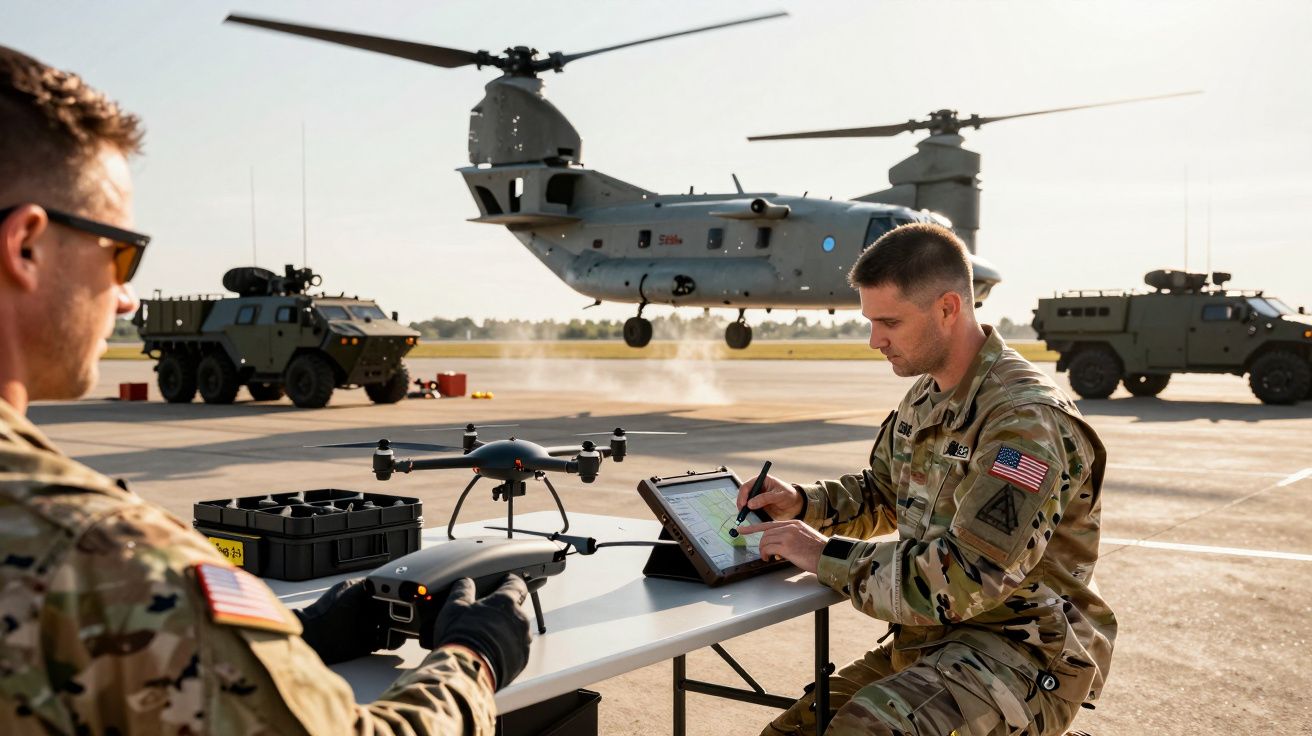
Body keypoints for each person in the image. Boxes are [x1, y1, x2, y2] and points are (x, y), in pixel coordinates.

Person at [0, 45, 529, 735]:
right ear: (26, 247)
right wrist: (474, 658)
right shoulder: (99, 559)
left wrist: (293, 638)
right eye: (119, 254)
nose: (126, 299)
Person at [737, 223, 1115, 735]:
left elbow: (966, 577)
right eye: (871, 321)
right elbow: (885, 492)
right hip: (931, 642)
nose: (875, 341)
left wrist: (822, 553)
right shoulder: (926, 396)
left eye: (889, 322)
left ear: (947, 308)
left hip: (1020, 657)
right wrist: (802, 505)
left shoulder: (1023, 421)